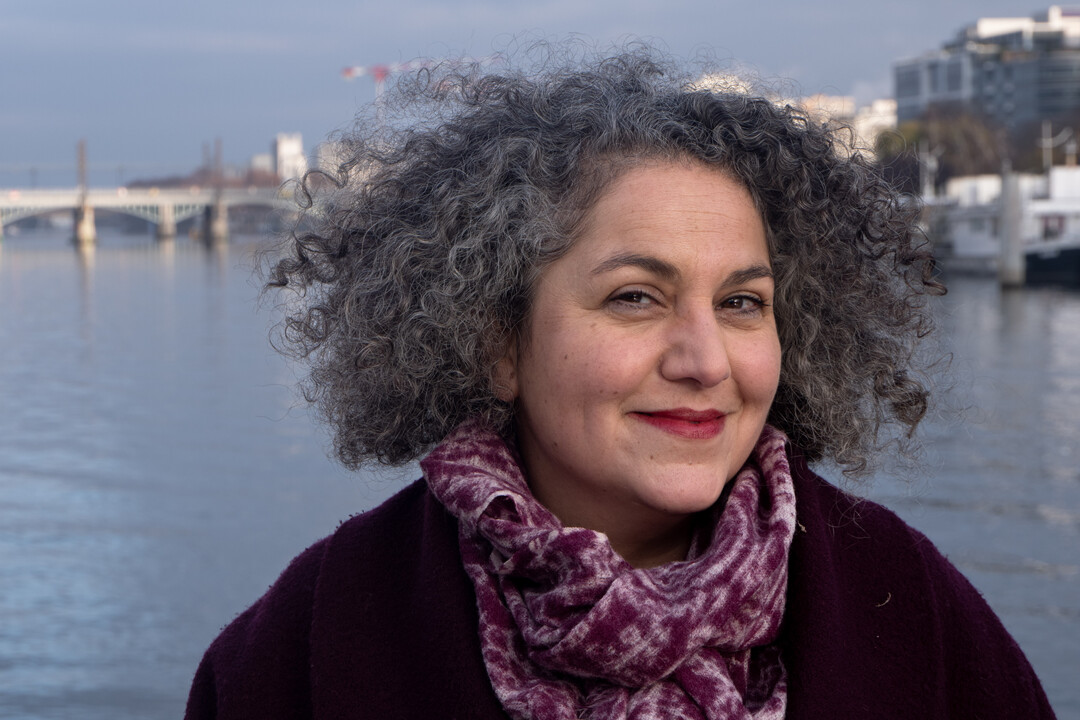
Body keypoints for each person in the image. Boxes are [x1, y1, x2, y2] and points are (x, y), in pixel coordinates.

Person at [185, 48, 1056, 719]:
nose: (706, 361)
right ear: (497, 342)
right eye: (636, 297)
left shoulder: (909, 605)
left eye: (742, 303)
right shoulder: (305, 644)